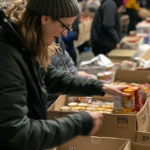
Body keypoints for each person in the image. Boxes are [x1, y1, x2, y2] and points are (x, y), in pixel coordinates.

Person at [0, 0, 129, 149]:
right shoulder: (7, 57)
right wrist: (79, 123)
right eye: (64, 26)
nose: (66, 34)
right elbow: (16, 133)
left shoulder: (23, 43)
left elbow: (52, 77)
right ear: (45, 18)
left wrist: (101, 87)